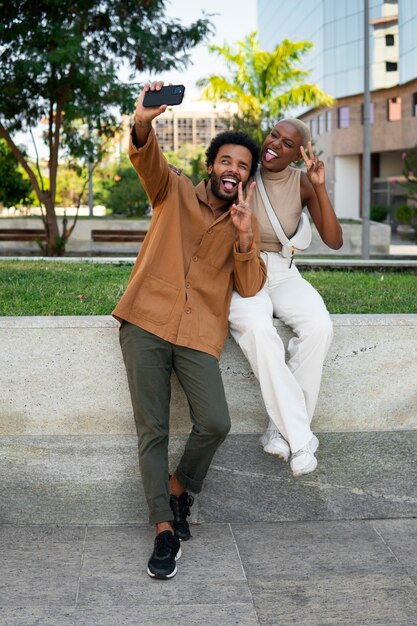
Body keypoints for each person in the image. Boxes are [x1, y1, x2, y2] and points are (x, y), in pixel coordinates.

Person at [113, 81, 266, 580]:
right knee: (152, 430)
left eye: (243, 166)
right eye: (227, 161)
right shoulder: (173, 189)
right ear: (211, 165)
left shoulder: (245, 222)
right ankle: (163, 527)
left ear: (247, 178)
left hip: (199, 334)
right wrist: (143, 120)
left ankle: (180, 487)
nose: (233, 170)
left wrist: (246, 238)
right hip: (146, 323)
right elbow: (145, 156)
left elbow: (249, 284)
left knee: (216, 422)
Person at [228, 118, 343, 478]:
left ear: (298, 154)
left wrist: (320, 188)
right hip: (245, 271)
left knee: (320, 327)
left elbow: (334, 240)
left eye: (287, 143)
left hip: (285, 272)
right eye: (274, 134)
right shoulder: (244, 172)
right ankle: (301, 439)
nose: (275, 144)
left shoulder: (303, 182)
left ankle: (280, 431)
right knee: (258, 330)